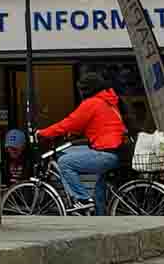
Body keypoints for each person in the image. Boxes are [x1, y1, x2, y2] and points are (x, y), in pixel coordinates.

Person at [38, 69, 127, 212]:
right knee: (99, 193)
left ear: (87, 90)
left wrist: (42, 133)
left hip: (106, 154)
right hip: (116, 151)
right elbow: (93, 124)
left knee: (65, 162)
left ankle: (81, 198)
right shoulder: (108, 102)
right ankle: (100, 219)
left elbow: (69, 123)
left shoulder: (92, 103)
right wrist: (73, 133)